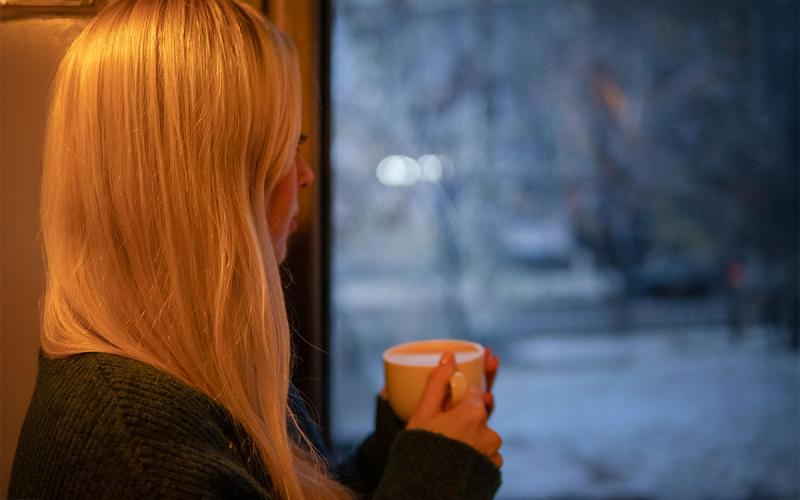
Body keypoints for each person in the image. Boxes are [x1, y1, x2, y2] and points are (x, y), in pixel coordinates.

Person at [8, 1, 503, 498]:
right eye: (287, 147)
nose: (305, 175)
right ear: (212, 185)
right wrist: (438, 476)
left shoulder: (181, 378)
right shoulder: (133, 454)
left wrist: (401, 447)